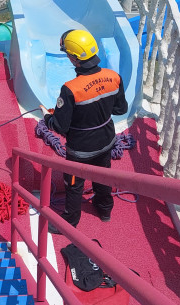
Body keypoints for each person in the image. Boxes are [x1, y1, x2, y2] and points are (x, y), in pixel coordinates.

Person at [40, 29, 128, 234]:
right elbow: (120, 109)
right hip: (106, 140)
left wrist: (47, 118)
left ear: (73, 58)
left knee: (74, 183)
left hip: (80, 149)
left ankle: (70, 222)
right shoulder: (113, 77)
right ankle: (104, 209)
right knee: (103, 175)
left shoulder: (70, 89)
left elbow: (60, 127)